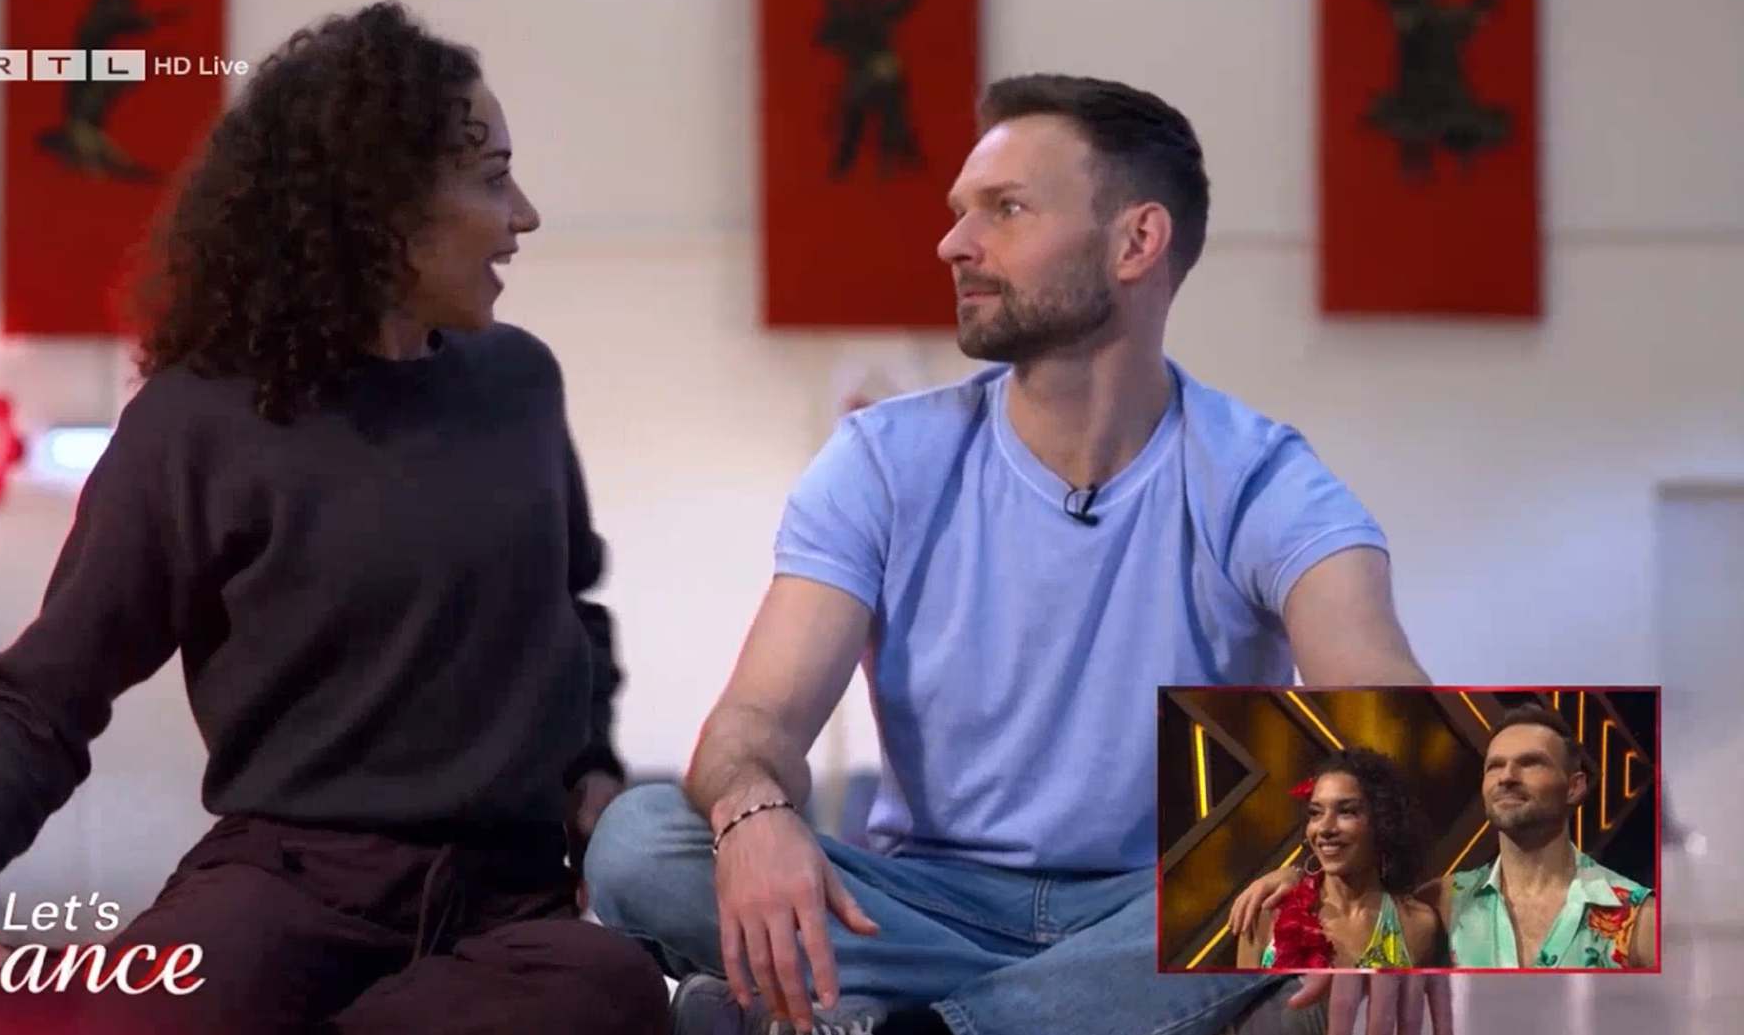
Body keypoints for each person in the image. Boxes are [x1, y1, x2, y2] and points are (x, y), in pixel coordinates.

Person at [0, 1, 668, 1035]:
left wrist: (590, 767)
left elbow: (570, 609)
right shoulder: (198, 420)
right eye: (491, 177)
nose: (525, 216)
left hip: (504, 910)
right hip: (281, 895)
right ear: (381, 207)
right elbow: (44, 697)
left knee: (612, 990)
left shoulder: (519, 383)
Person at [584, 74, 1448, 1035]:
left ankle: (896, 1022)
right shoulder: (883, 460)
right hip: (921, 903)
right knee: (637, 840)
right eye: (961, 211)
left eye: (1005, 209)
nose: (953, 243)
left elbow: (1392, 710)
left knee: (1326, 887)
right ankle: (1042, 1014)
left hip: (1159, 906)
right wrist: (754, 815)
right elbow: (756, 721)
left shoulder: (1261, 476)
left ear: (1136, 241)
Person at [1231, 702, 1658, 970]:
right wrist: (1291, 877)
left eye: (1530, 763)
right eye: (1494, 765)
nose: (1507, 776)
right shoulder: (1444, 902)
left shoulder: (1642, 918)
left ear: (1575, 787)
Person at [1235, 748, 1445, 970]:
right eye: (1316, 813)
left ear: (1383, 821)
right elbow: (1242, 994)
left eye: (1346, 811)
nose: (1325, 828)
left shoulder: (1418, 925)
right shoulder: (1266, 911)